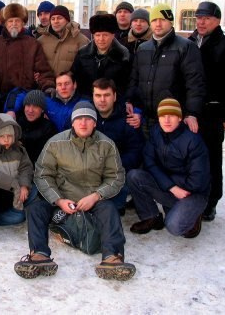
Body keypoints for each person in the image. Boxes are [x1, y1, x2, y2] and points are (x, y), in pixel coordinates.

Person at [14, 101, 135, 281]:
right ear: (72, 122)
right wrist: (58, 200)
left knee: (110, 210)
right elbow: (42, 174)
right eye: (79, 119)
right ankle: (39, 254)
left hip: (92, 198)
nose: (83, 123)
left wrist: (96, 196)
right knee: (35, 209)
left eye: (88, 119)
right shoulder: (55, 143)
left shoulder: (106, 144)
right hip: (62, 198)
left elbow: (116, 177)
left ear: (95, 123)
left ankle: (112, 257)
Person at [189, 1, 225, 221]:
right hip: (191, 111)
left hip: (213, 113)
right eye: (198, 18)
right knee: (190, 157)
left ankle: (211, 201)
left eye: (207, 18)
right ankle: (192, 197)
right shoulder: (189, 42)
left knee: (212, 159)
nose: (201, 22)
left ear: (217, 21)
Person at [127, 98, 210, 238]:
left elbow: (198, 181)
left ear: (180, 118)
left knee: (174, 227)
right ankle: (151, 216)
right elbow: (149, 162)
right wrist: (171, 187)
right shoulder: (156, 132)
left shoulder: (193, 140)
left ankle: (195, 213)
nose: (166, 120)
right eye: (162, 116)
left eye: (171, 115)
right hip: (170, 187)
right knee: (134, 176)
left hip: (192, 193)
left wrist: (170, 184)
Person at [126, 3, 205, 136]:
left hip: (172, 119)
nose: (158, 24)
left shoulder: (185, 47)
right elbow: (134, 80)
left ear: (170, 22)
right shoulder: (143, 48)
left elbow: (195, 83)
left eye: (162, 20)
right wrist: (130, 100)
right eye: (154, 20)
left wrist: (192, 113)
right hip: (145, 119)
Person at [0, 3, 55, 108]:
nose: (14, 24)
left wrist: (48, 86)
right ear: (5, 23)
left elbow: (43, 70)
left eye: (17, 21)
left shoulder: (33, 44)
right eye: (10, 21)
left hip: (25, 99)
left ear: (23, 23)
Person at [92, 78, 145, 210]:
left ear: (114, 96)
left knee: (110, 208)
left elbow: (136, 151)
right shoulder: (86, 118)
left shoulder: (128, 120)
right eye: (98, 95)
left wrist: (113, 165)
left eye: (107, 95)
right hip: (91, 171)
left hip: (118, 172)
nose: (102, 100)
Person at [0, 113, 35, 225]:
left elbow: (26, 167)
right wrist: (14, 185)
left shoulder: (19, 149)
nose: (6, 139)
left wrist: (24, 185)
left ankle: (20, 207)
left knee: (35, 190)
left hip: (17, 189)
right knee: (18, 218)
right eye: (2, 136)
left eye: (9, 136)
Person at [72, 13, 130, 97]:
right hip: (86, 99)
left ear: (113, 35)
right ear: (93, 36)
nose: (101, 39)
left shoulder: (123, 56)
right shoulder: (82, 54)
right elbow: (76, 78)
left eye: (105, 35)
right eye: (97, 35)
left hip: (113, 100)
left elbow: (125, 84)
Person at [37, 5, 89, 75]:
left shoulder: (81, 40)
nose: (56, 21)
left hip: (70, 82)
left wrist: (71, 78)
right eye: (53, 19)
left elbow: (87, 68)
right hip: (46, 82)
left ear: (67, 20)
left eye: (59, 18)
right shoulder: (41, 41)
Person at [14, 90, 57, 164]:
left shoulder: (48, 129)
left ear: (42, 109)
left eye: (35, 106)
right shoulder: (17, 123)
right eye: (28, 105)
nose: (30, 110)